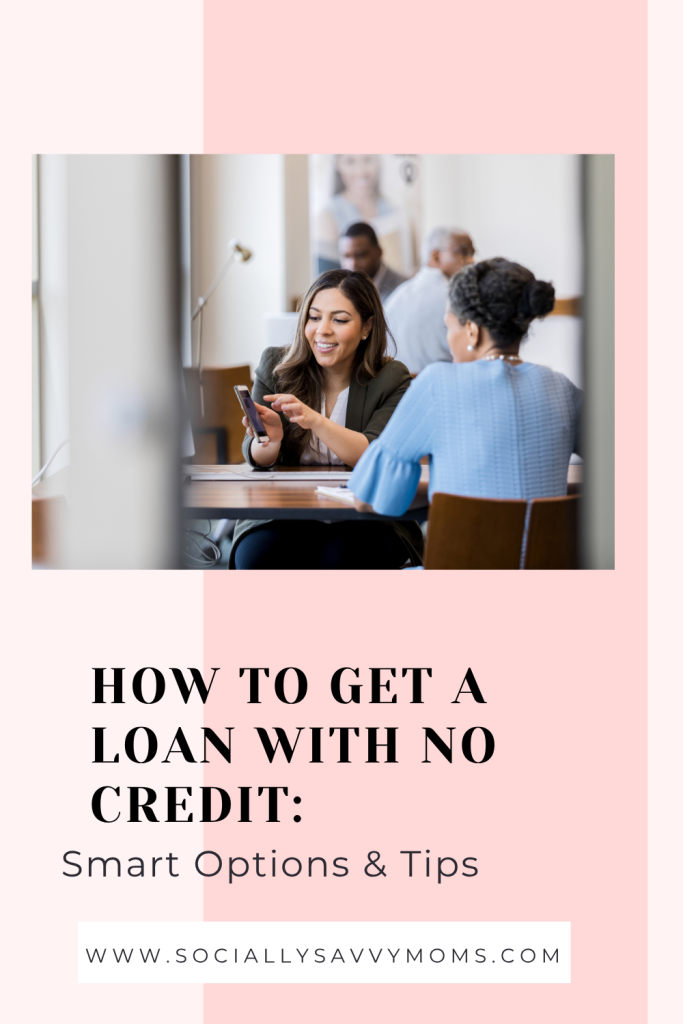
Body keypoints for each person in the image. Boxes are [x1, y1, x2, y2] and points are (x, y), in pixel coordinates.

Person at [349, 258, 582, 532]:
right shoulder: (563, 389)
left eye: (449, 327)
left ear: (472, 330)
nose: (448, 339)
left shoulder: (437, 383)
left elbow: (371, 498)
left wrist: (441, 491)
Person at [229, 269, 424, 569]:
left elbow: (373, 454)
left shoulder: (392, 378)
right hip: (285, 514)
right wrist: (269, 440)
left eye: (340, 319)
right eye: (314, 317)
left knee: (343, 560)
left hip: (366, 517)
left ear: (366, 327)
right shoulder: (276, 367)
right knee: (259, 558)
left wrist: (315, 420)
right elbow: (259, 457)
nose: (323, 330)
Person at [385, 227, 475, 373]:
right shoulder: (456, 297)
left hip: (398, 392)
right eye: (463, 253)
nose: (471, 261)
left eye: (472, 254)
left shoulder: (396, 297)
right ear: (436, 256)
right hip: (445, 389)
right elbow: (474, 357)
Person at [338, 223, 408, 303]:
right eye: (346, 256)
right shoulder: (339, 289)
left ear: (379, 252)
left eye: (360, 255)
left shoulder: (403, 290)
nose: (353, 264)